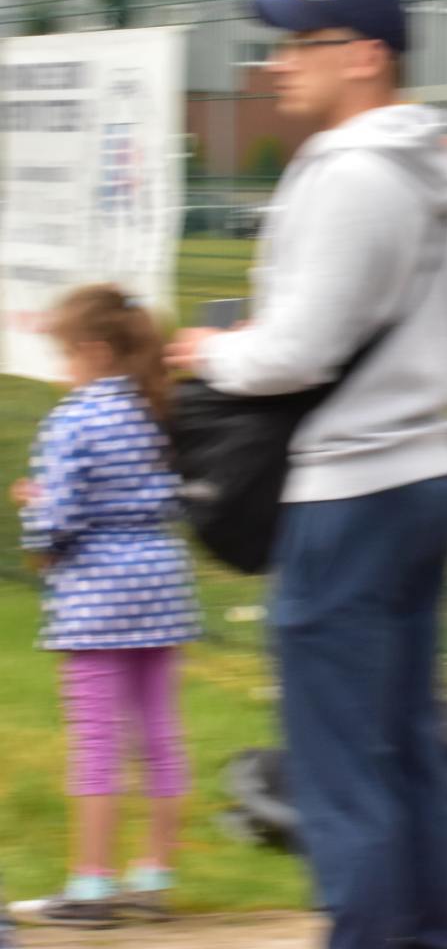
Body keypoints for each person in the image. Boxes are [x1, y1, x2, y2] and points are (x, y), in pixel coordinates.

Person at [165, 0, 447, 949]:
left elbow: (297, 351)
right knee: (405, 747)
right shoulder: (438, 169)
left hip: (348, 489)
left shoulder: (347, 173)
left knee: (342, 766)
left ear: (366, 56)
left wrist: (211, 351)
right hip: (427, 474)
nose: (279, 64)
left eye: (304, 44)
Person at [8, 284, 201, 930]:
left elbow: (59, 519)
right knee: (160, 734)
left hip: (96, 598)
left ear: (92, 350)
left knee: (97, 742)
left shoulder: (74, 418)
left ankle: (91, 886)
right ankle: (153, 877)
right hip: (162, 587)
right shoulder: (158, 408)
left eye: (64, 354)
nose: (62, 369)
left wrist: (37, 520)